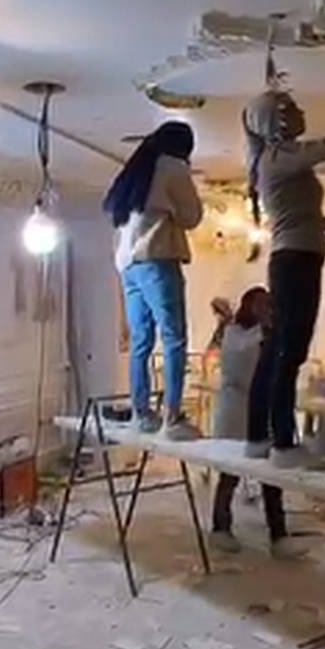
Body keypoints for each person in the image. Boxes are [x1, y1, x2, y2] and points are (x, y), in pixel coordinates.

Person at [242, 54, 325, 467]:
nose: (301, 111)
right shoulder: (280, 156)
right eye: (292, 108)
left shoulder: (271, 160)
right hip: (297, 261)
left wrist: (323, 222)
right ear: (278, 122)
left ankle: (259, 438)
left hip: (294, 257)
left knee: (277, 350)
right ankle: (283, 444)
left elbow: (291, 214)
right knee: (289, 353)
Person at [103, 121, 203, 439]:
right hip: (157, 258)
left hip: (128, 265)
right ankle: (172, 418)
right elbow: (192, 216)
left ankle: (141, 413)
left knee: (141, 341)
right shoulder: (172, 167)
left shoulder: (136, 170)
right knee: (174, 338)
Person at [210, 287, 290, 557]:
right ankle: (220, 527)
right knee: (229, 474)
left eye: (268, 304)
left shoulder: (262, 335)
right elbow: (244, 367)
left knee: (270, 476)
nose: (265, 309)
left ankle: (278, 533)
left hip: (256, 412)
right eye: (260, 304)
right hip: (236, 411)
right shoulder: (236, 334)